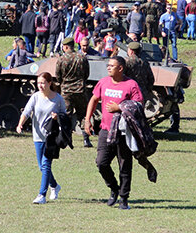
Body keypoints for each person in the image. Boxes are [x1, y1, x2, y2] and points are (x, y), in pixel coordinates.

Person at [84, 56, 143, 210]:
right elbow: (94, 99)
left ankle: (124, 198)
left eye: (112, 65)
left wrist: (120, 108)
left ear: (121, 68)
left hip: (124, 132)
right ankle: (114, 188)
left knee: (124, 165)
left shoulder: (131, 85)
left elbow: (138, 105)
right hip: (105, 130)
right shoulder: (103, 82)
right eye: (108, 65)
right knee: (101, 162)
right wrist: (87, 119)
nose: (108, 68)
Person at [16, 72, 67, 205]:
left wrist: (57, 117)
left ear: (50, 83)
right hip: (37, 136)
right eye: (38, 83)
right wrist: (20, 124)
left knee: (46, 164)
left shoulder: (58, 99)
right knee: (41, 166)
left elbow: (65, 116)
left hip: (52, 137)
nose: (40, 85)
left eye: (43, 83)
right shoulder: (35, 97)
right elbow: (26, 112)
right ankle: (55, 186)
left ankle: (41, 195)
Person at [56, 38, 92, 148]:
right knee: (83, 115)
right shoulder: (82, 57)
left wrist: (64, 83)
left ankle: (67, 139)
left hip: (66, 90)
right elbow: (87, 73)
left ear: (66, 47)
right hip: (80, 90)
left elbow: (58, 75)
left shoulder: (61, 59)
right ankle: (86, 139)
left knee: (66, 115)